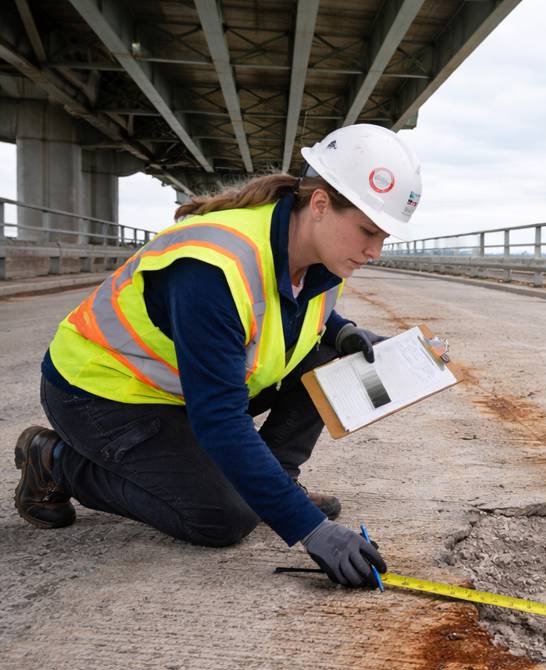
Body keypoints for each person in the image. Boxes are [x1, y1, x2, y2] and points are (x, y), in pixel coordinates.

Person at [13, 123, 424, 586]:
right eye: (368, 231)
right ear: (321, 205)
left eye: (384, 235)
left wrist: (343, 331)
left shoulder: (315, 254)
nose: (376, 251)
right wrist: (310, 529)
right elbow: (220, 419)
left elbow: (289, 304)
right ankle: (54, 460)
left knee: (329, 352)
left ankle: (275, 483)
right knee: (222, 517)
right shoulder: (211, 268)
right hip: (104, 395)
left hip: (183, 389)